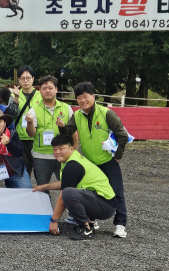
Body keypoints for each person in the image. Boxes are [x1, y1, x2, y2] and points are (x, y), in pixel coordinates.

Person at [58, 82, 129, 238]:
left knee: (117, 192)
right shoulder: (77, 115)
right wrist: (62, 126)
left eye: (85, 97)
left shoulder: (106, 113)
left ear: (93, 97)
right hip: (90, 162)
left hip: (108, 161)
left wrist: (117, 157)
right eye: (79, 98)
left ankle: (120, 225)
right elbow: (69, 131)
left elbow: (122, 135)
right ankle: (91, 221)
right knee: (89, 190)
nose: (82, 101)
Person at [33, 135, 117, 240]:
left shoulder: (73, 165)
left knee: (68, 193)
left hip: (106, 205)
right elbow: (66, 182)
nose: (57, 152)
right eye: (55, 149)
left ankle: (86, 229)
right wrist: (44, 187)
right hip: (102, 201)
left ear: (71, 148)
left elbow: (64, 193)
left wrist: (54, 220)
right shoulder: (72, 158)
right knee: (69, 191)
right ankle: (88, 224)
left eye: (61, 148)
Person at [25, 75, 78, 195]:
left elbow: (73, 131)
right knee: (42, 189)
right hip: (42, 156)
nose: (47, 91)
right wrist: (30, 122)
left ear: (56, 89)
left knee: (69, 186)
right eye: (44, 88)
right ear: (40, 91)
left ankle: (72, 213)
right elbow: (31, 134)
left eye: (50, 88)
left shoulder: (66, 108)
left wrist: (75, 149)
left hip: (64, 154)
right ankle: (45, 213)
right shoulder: (34, 110)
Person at [8, 65, 42, 180]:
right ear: (18, 80)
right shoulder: (13, 96)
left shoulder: (40, 95)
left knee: (40, 170)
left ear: (33, 79)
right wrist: (16, 98)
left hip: (38, 138)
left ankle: (42, 194)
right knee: (24, 170)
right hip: (21, 138)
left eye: (28, 78)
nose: (25, 80)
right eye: (23, 78)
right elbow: (11, 115)